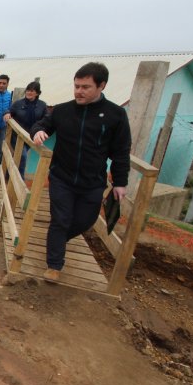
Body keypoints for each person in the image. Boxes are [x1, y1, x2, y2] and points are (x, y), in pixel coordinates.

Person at [30, 62, 131, 280]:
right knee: (60, 219)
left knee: (85, 221)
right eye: (76, 86)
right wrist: (38, 132)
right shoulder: (63, 110)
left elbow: (121, 151)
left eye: (85, 87)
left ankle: (56, 240)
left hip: (93, 181)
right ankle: (54, 266)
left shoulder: (116, 115)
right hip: (61, 177)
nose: (79, 91)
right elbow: (42, 125)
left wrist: (121, 182)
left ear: (101, 85)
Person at [6, 81, 48, 179]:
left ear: (37, 93)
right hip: (17, 135)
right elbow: (9, 110)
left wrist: (41, 130)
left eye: (32, 91)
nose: (29, 92)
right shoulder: (18, 103)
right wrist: (7, 113)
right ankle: (20, 180)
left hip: (30, 136)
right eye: (28, 90)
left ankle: (8, 174)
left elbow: (47, 119)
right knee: (23, 156)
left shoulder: (42, 105)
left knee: (17, 156)